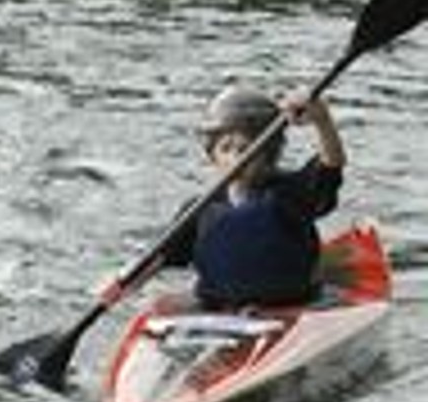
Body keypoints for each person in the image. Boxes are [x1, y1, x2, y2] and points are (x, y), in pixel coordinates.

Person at [145, 84, 347, 310]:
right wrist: (126, 282)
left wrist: (322, 121)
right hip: (217, 307)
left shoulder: (291, 193)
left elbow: (330, 167)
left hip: (292, 303)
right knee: (156, 303)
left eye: (245, 149)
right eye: (226, 149)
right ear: (213, 156)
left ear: (268, 154)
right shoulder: (199, 209)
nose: (236, 159)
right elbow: (162, 257)